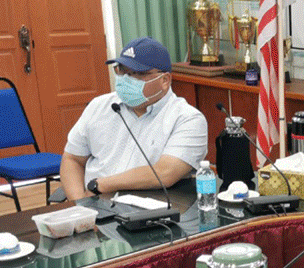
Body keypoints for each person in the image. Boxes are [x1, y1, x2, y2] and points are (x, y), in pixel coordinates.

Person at [60, 37, 207, 201]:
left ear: (165, 80)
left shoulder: (187, 119)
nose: (127, 79)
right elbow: (72, 159)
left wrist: (101, 185)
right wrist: (80, 205)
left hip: (149, 212)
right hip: (92, 206)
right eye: (122, 71)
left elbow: (165, 173)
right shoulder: (99, 106)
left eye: (138, 74)